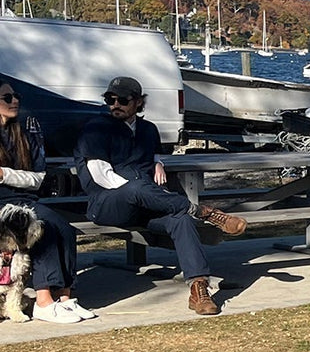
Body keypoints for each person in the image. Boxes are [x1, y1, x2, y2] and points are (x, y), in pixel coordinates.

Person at [74, 76, 248, 316]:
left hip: (145, 206)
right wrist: (142, 191)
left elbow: (155, 154)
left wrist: (158, 164)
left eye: (122, 100)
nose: (115, 105)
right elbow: (101, 175)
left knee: (181, 219)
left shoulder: (148, 129)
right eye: (109, 99)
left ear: (138, 102)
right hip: (106, 204)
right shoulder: (95, 129)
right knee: (136, 189)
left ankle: (198, 287)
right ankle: (203, 211)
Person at [0, 77, 88, 324]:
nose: (15, 101)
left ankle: (65, 297)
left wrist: (5, 174)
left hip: (25, 199)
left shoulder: (26, 132)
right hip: (2, 204)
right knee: (42, 231)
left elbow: (38, 179)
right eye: (7, 98)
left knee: (64, 229)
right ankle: (43, 300)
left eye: (16, 96)